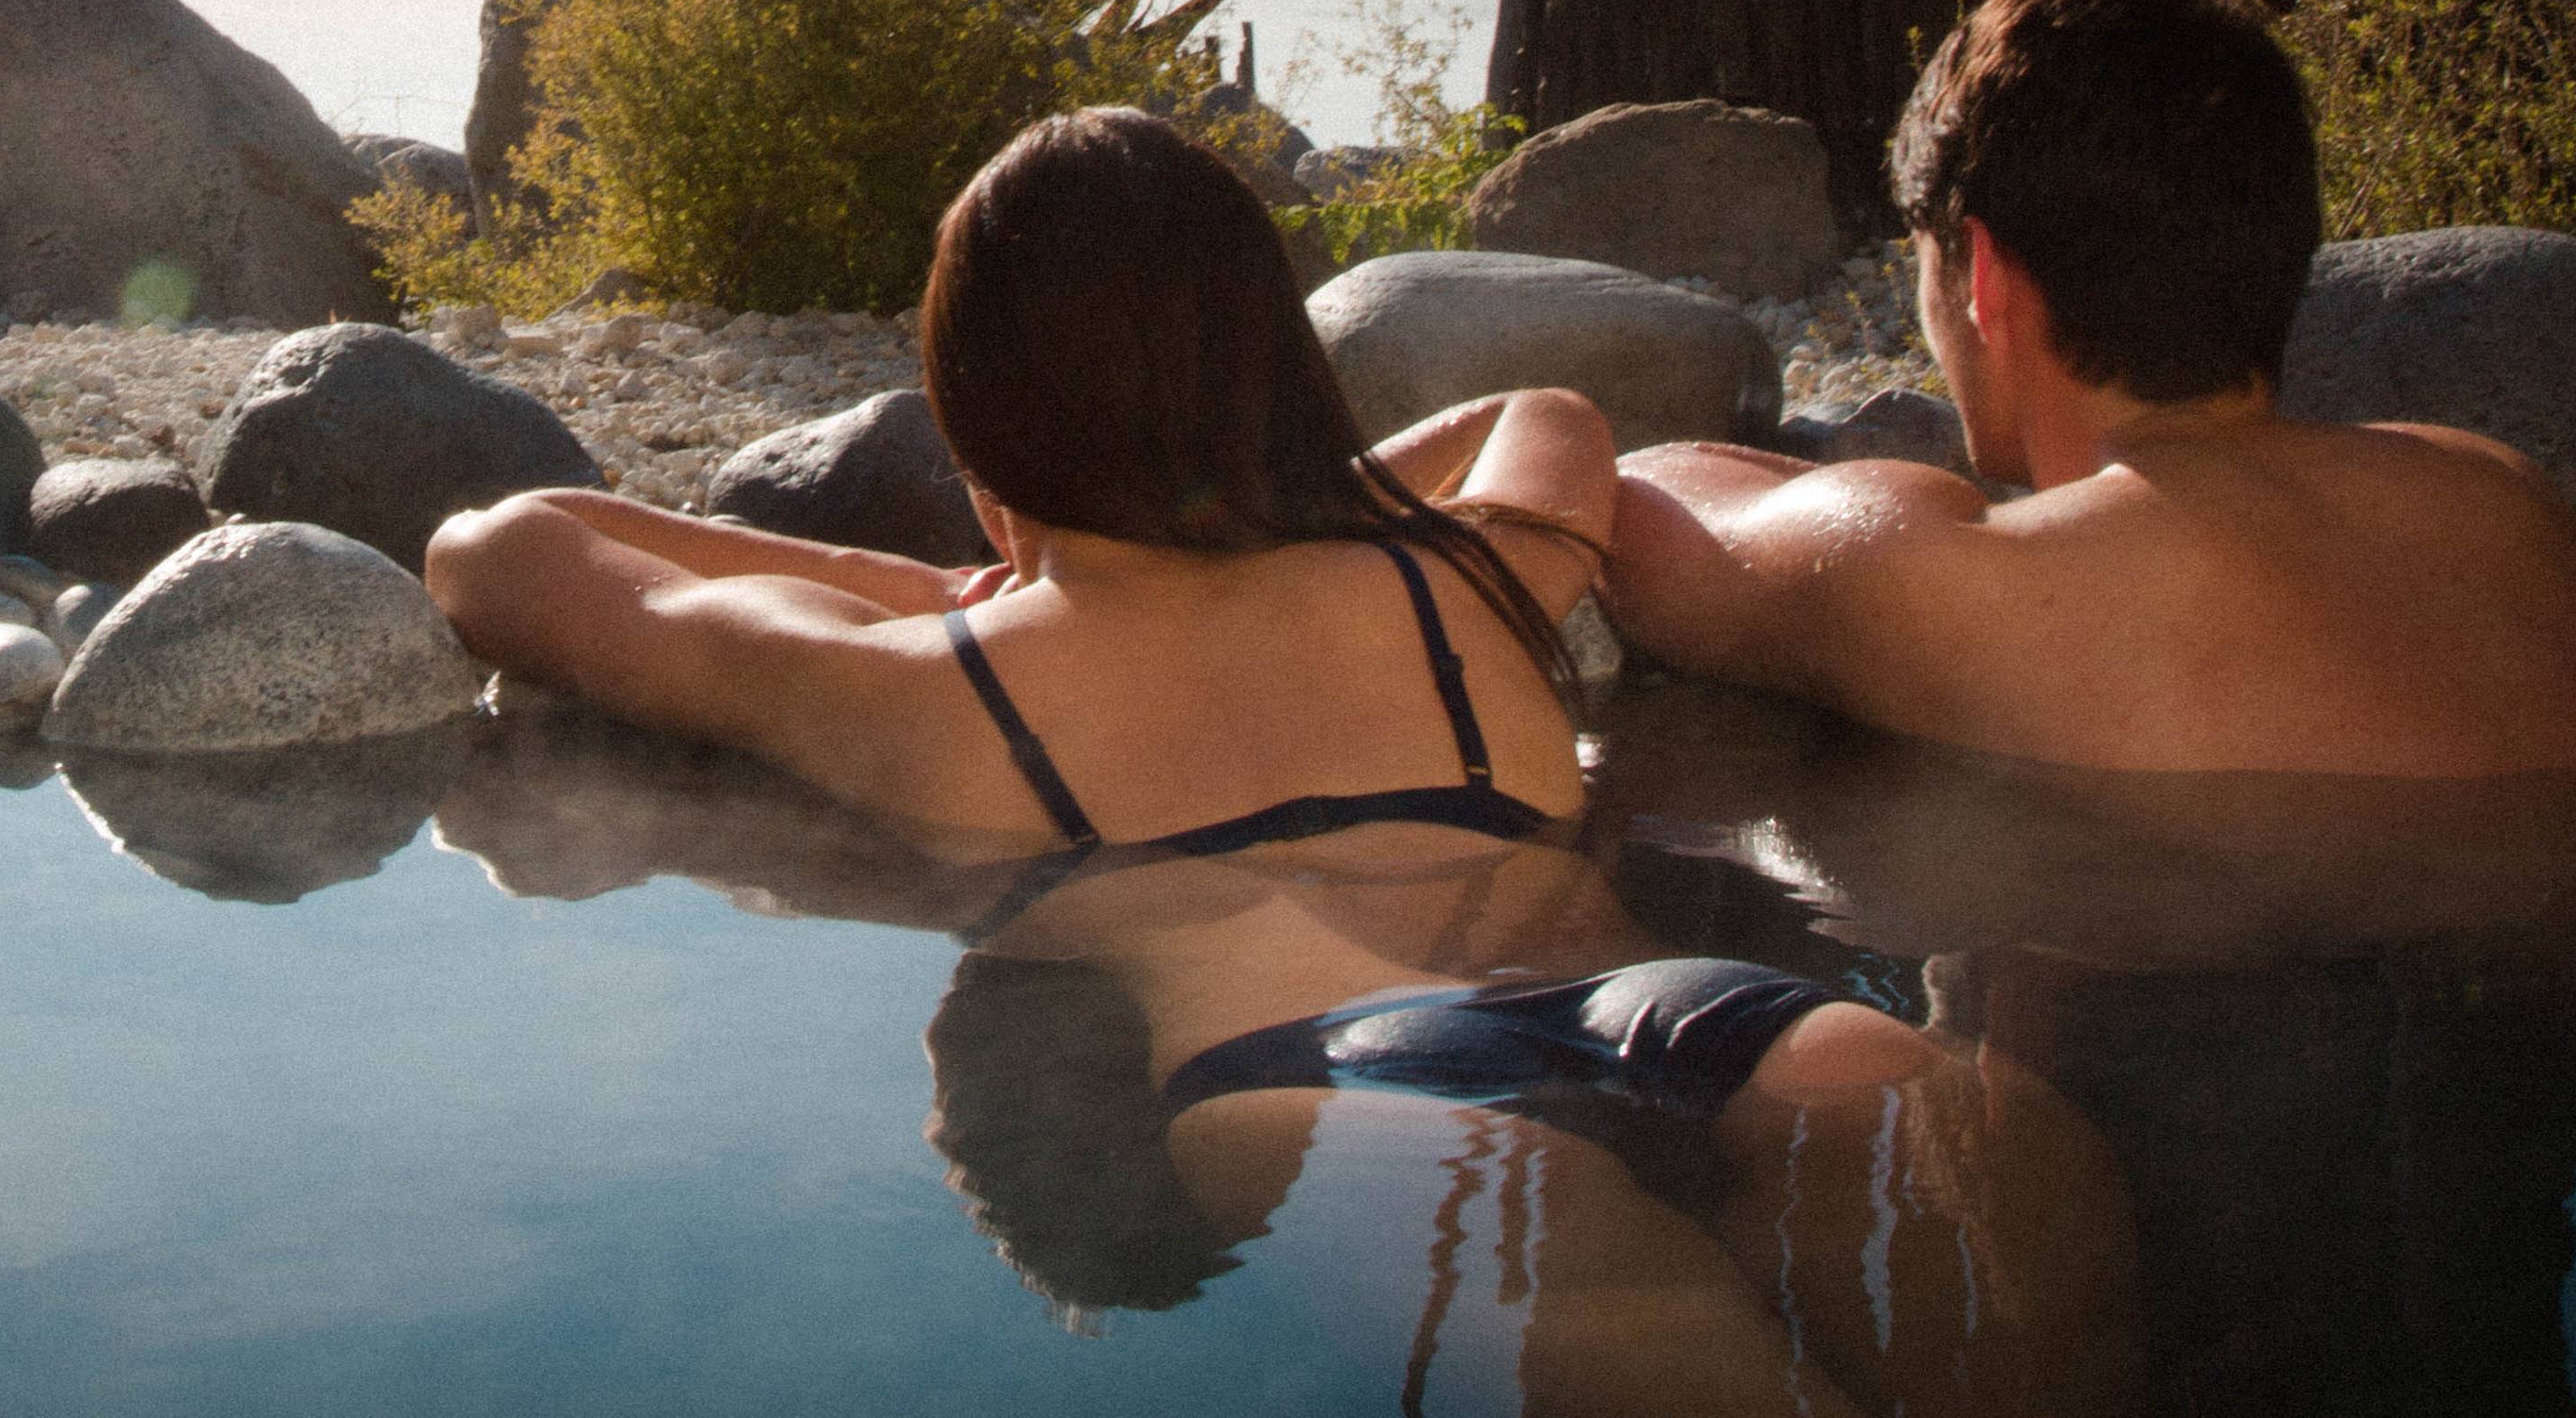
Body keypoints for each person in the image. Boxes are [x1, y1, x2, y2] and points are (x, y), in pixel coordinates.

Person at [430, 108, 2129, 1413]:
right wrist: (1294, 505)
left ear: (978, 428)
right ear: (1278, 369)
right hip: (1707, 1007)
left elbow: (503, 551)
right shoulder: (1459, 575)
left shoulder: (937, 687)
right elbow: (1551, 411)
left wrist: (949, 588)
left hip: (1337, 1086)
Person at [1602, 0, 2576, 779]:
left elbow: (1636, 497)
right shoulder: (2499, 494)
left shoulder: (1980, 588)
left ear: (1981, 275)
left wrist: (1883, 490)